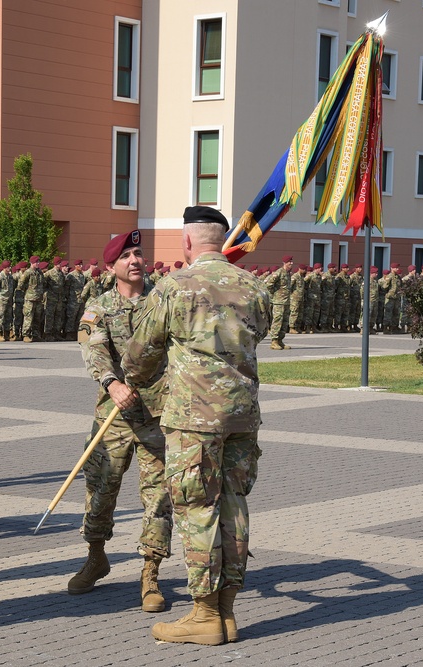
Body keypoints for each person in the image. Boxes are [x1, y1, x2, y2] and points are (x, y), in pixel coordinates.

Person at [121, 206, 270, 646]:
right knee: (234, 505)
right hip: (243, 414)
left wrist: (141, 377)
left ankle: (204, 614)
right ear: (221, 242)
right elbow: (260, 333)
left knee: (197, 506)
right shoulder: (254, 286)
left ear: (186, 243)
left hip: (194, 419)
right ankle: (226, 612)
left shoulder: (174, 286)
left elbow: (139, 354)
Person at [69, 230, 173, 613]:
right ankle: (96, 558)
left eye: (139, 253)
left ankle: (150, 574)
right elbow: (93, 349)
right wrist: (112, 383)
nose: (135, 260)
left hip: (158, 415)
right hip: (112, 418)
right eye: (126, 255)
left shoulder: (163, 301)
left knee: (158, 497)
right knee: (99, 493)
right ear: (110, 267)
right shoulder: (98, 306)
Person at [266, 256, 293, 350]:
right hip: (279, 302)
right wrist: (275, 293)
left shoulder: (288, 274)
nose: (291, 264)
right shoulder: (279, 273)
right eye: (290, 262)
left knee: (285, 322)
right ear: (285, 263)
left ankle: (280, 341)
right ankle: (274, 341)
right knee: (277, 321)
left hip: (286, 302)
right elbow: (268, 284)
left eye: (292, 262)